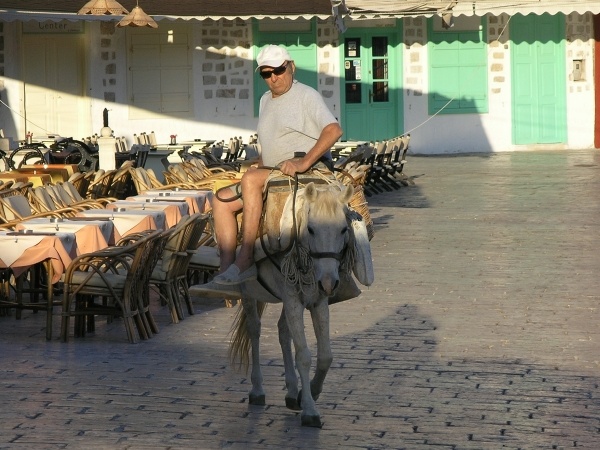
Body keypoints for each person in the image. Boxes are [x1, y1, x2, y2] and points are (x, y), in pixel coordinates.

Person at [192, 44, 343, 298]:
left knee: (251, 180)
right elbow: (272, 139)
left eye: (279, 70)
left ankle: (246, 259)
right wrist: (261, 161)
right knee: (221, 201)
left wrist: (303, 162)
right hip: (272, 172)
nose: (273, 78)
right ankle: (226, 274)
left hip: (301, 173)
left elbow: (334, 130)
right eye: (266, 73)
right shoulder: (264, 100)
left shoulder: (306, 96)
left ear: (291, 67)